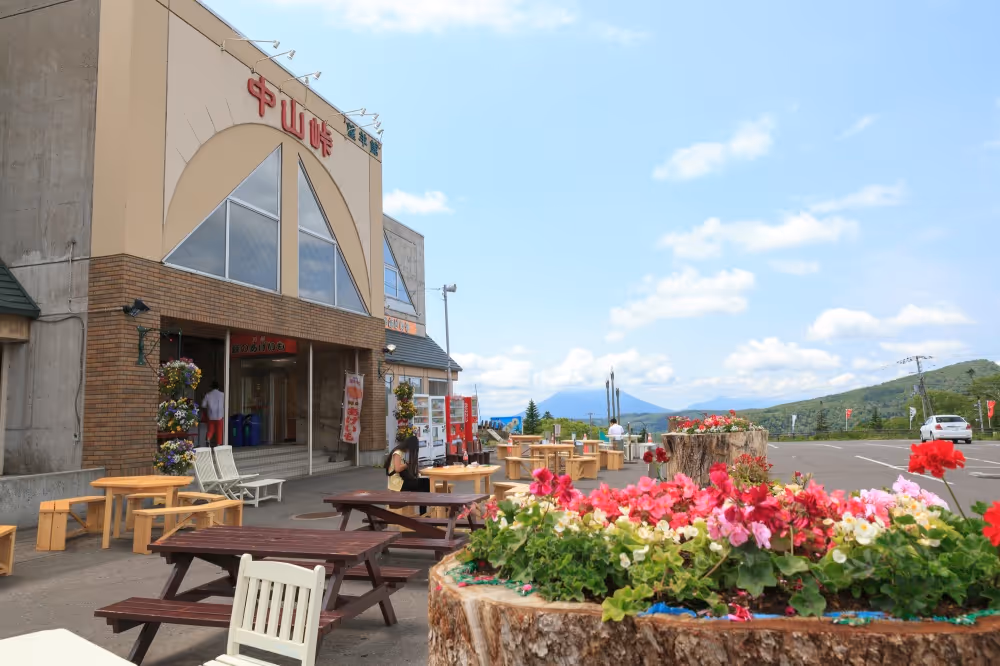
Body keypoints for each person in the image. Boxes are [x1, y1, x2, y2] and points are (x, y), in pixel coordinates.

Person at [385, 435, 430, 514]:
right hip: (397, 483)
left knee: (424, 484)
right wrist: (408, 464)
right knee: (425, 484)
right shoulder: (397, 453)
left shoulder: (399, 452)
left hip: (400, 481)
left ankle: (424, 508)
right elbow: (397, 469)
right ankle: (425, 509)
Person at [201, 381, 225, 447]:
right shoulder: (222, 394)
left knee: (210, 430)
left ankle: (208, 440)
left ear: (211, 387)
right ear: (218, 387)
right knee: (219, 431)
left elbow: (203, 405)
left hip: (211, 416)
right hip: (220, 416)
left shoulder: (208, 395)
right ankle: (218, 444)